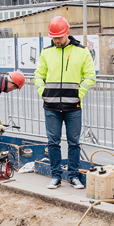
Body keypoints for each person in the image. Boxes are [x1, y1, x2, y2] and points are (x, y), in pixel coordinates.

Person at [34, 16, 96, 190]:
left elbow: (90, 76)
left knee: (73, 142)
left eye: (59, 37)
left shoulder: (82, 51)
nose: (56, 41)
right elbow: (38, 76)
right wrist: (43, 93)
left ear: (67, 33)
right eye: (53, 38)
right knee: (53, 142)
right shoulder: (46, 52)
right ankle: (55, 176)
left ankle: (74, 176)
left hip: (73, 106)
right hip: (51, 106)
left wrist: (79, 94)